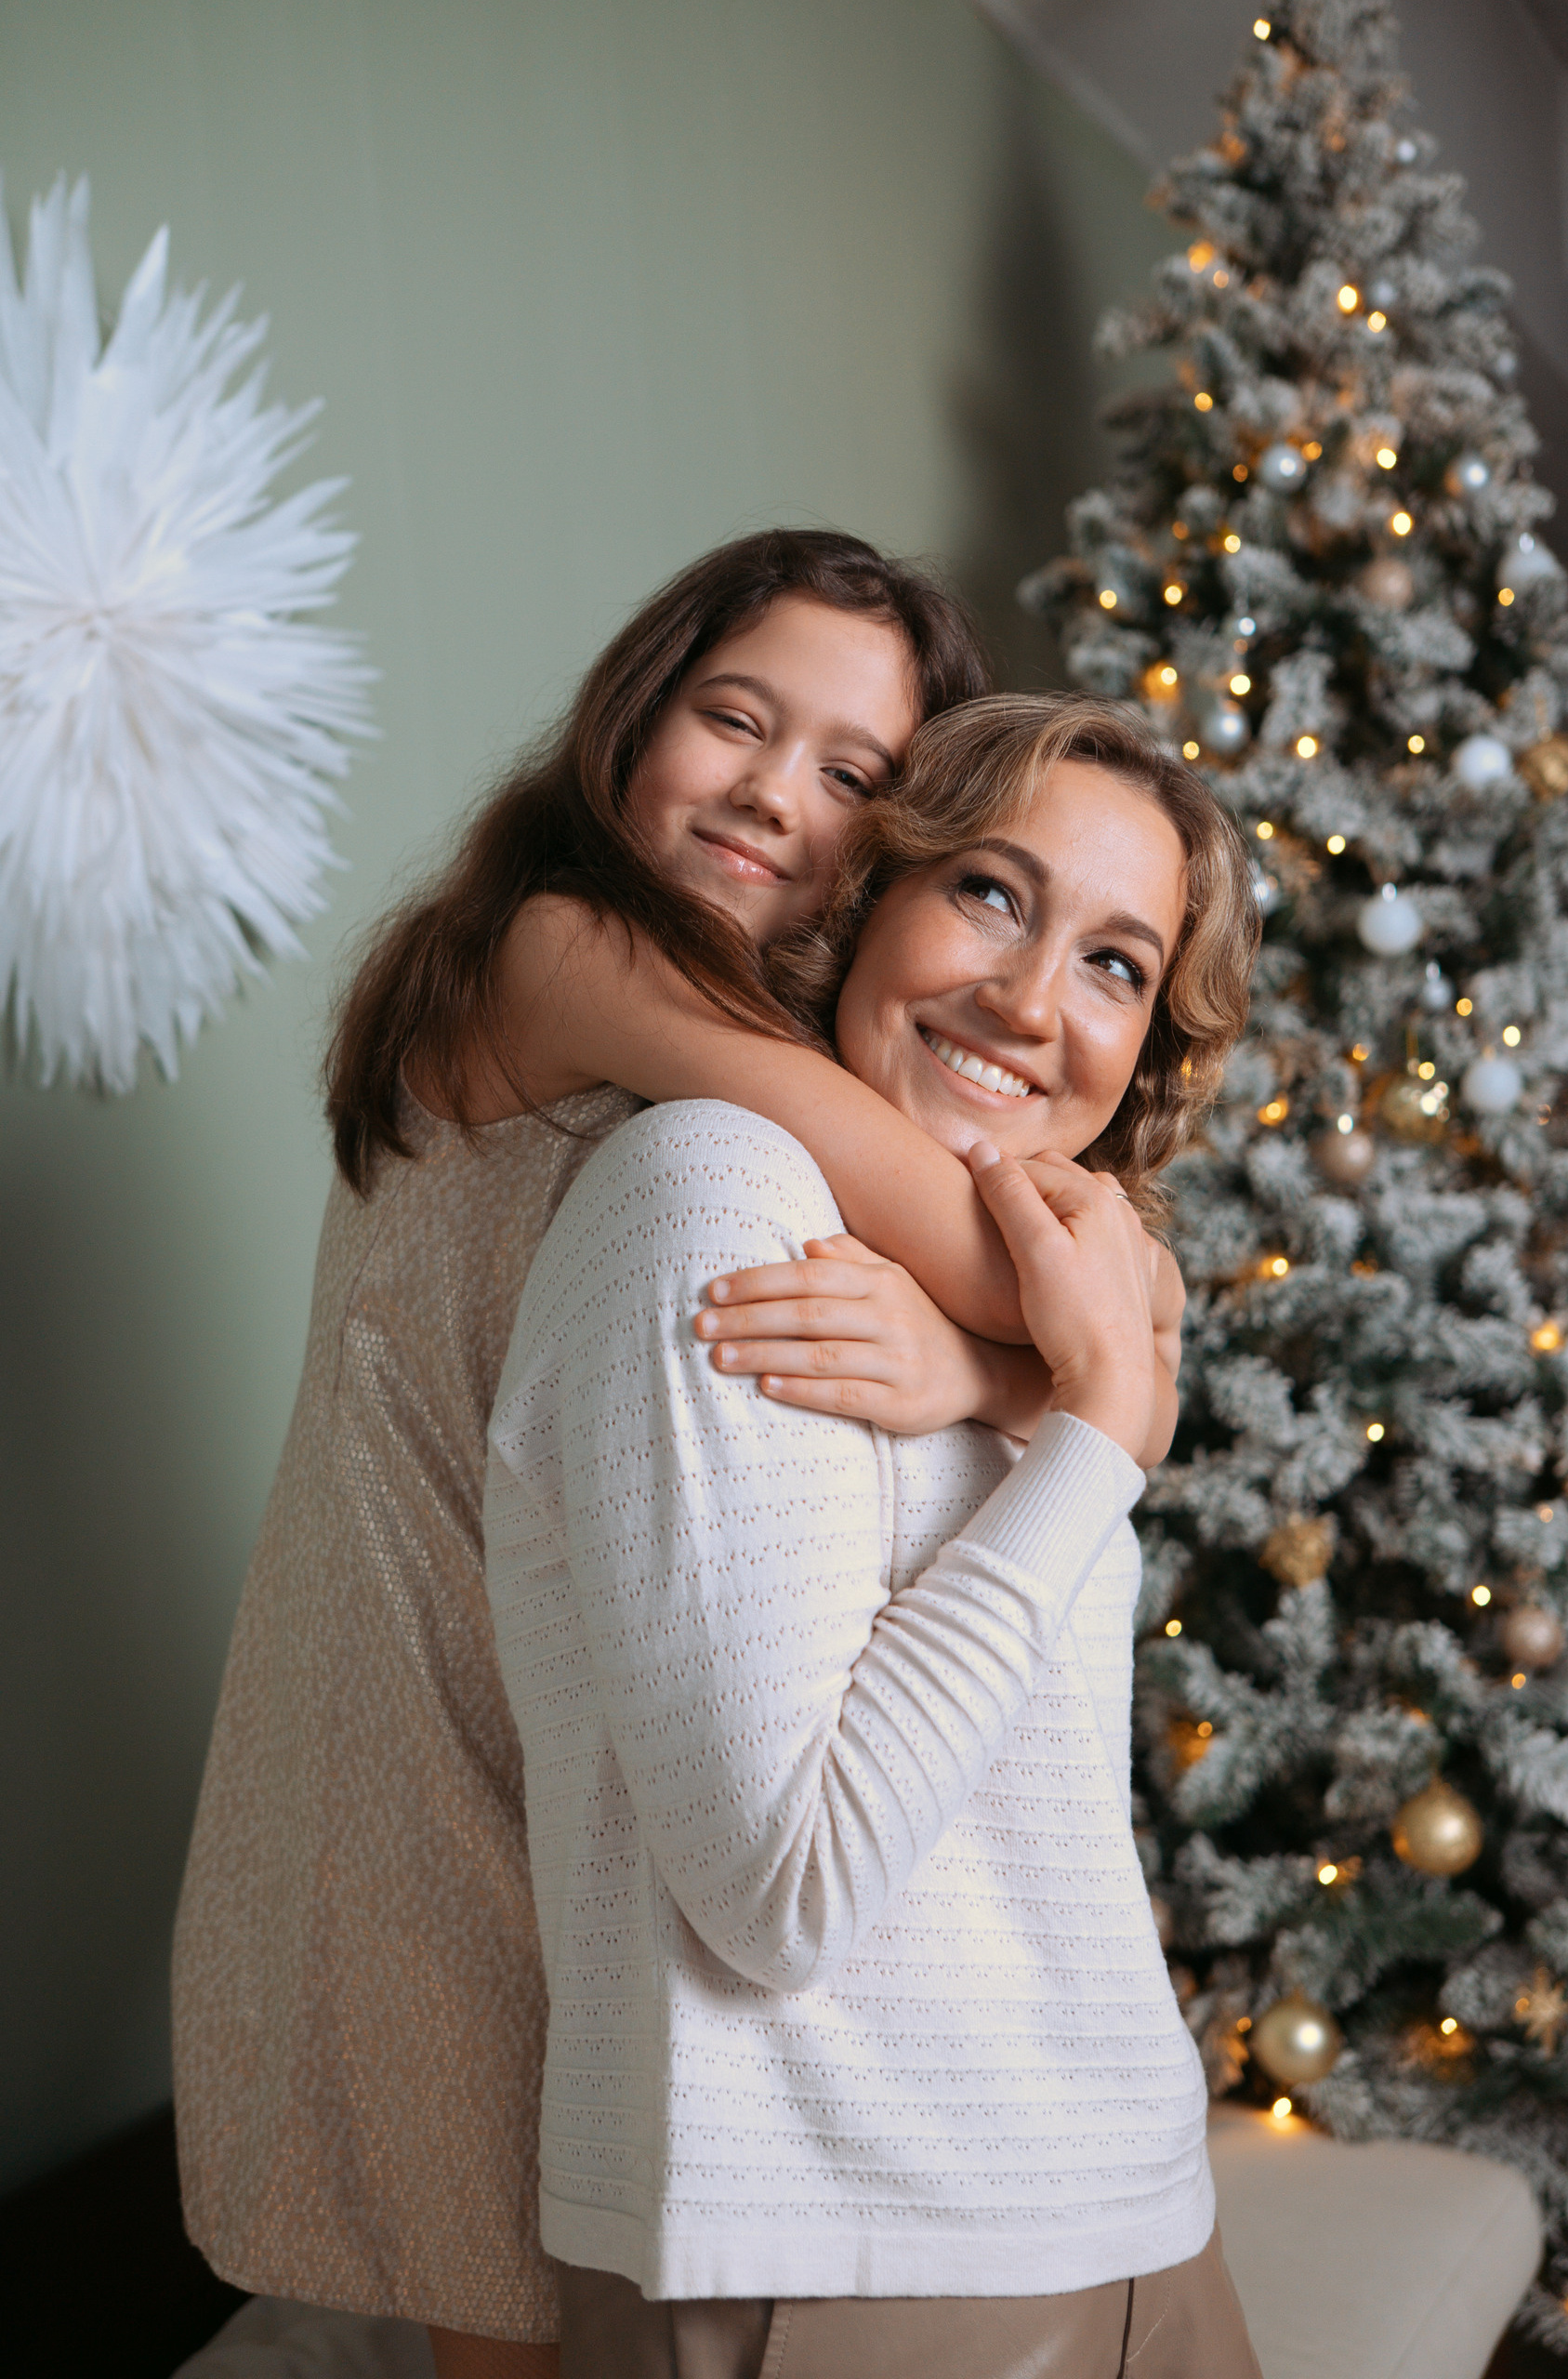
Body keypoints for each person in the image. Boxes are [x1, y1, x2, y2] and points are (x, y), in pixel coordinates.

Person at [172, 535, 1178, 2379]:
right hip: (414, 1727)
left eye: (855, 772)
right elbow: (1032, 1278)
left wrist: (1020, 1364)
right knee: (476, 2244)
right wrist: (1004, 1365)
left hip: (550, 1708)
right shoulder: (564, 949)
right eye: (737, 717)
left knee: (547, 2239)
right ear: (639, 712)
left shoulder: (734, 1036)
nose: (776, 796)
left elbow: (1090, 1286)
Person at [483, 694, 1264, 2377]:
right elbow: (785, 1887)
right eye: (988, 890)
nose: (1030, 1000)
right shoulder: (708, 1194)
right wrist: (1085, 1443)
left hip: (1131, 2208)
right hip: (846, 2261)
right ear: (868, 900)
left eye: (1118, 965)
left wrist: (1026, 1383)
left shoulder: (1054, 1276)